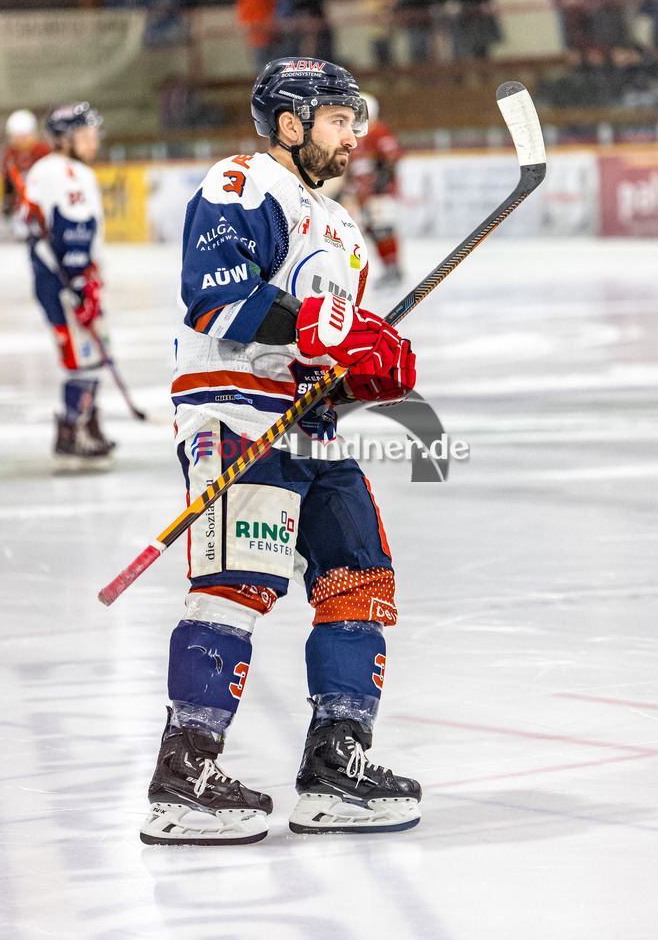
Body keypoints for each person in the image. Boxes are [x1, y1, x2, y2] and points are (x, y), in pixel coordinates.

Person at [141, 57, 421, 845]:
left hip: (311, 432)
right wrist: (329, 331)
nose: (353, 133)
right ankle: (184, 777)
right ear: (289, 125)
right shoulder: (243, 184)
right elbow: (218, 293)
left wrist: (367, 370)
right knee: (236, 585)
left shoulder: (343, 230)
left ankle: (335, 765)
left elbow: (324, 353)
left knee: (358, 580)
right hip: (236, 416)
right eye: (337, 119)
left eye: (352, 119)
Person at [23, 103, 115, 469]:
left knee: (91, 352)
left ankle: (87, 424)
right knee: (83, 358)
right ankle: (72, 432)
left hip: (59, 279)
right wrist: (79, 284)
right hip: (67, 282)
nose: (93, 142)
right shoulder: (68, 172)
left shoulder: (42, 171)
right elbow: (75, 228)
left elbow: (23, 227)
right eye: (86, 135)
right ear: (63, 139)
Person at [342, 92, 403, 286]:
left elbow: (391, 159)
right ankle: (386, 266)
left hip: (379, 191)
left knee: (383, 227)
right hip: (363, 193)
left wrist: (381, 184)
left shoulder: (378, 131)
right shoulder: (352, 137)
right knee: (368, 230)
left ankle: (393, 267)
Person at [0, 109, 51, 226]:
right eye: (17, 137)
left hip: (44, 208)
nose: (20, 142)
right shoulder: (9, 154)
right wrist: (7, 211)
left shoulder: (43, 151)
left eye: (24, 137)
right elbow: (7, 186)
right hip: (20, 212)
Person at [235, 0, 281, 72]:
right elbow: (244, 20)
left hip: (268, 36)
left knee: (266, 64)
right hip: (258, 38)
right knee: (263, 64)